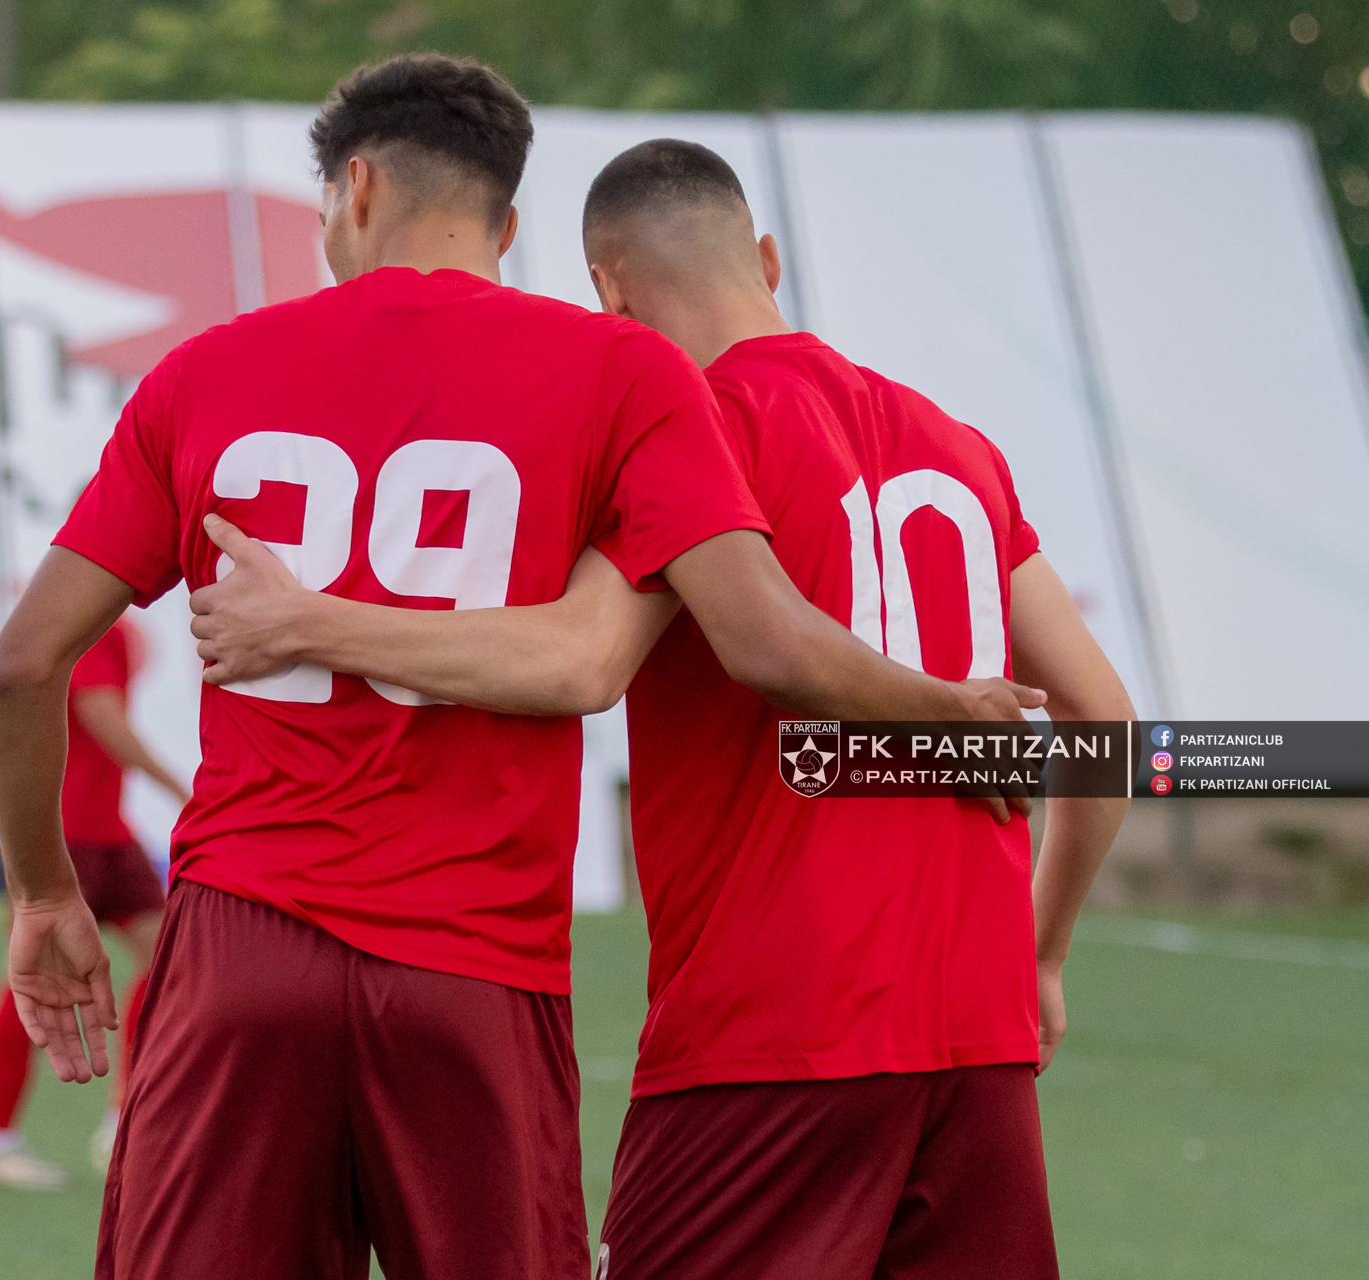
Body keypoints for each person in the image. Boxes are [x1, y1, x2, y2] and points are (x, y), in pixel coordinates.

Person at [0, 56, 1042, 1280]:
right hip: (477, 962)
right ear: (510, 223)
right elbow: (741, 642)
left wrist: (44, 896)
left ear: (356, 189)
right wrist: (950, 710)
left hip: (242, 942)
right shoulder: (623, 372)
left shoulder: (205, 371)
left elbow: (21, 668)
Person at [190, 138, 1134, 1280]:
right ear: (767, 260)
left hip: (775, 1027)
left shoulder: (691, 432)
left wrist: (306, 624)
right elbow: (1104, 722)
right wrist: (1041, 954)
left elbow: (579, 655)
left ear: (611, 293)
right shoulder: (959, 446)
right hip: (979, 1038)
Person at [0, 619, 188, 1191]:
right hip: (62, 833)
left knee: (169, 957)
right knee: (35, 978)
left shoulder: (102, 621)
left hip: (106, 830)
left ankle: (123, 1121)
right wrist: (182, 790)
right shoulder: (89, 619)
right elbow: (100, 716)